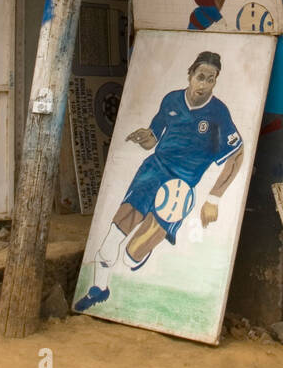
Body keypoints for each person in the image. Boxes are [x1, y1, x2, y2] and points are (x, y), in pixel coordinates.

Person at [74, 51, 243, 312]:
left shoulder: (218, 114)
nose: (204, 84)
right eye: (200, 77)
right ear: (189, 74)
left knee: (131, 256)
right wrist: (146, 136)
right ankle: (99, 289)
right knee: (111, 238)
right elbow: (155, 136)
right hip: (153, 170)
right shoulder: (171, 100)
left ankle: (144, 246)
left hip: (180, 186)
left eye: (211, 80)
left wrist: (213, 199)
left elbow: (237, 155)